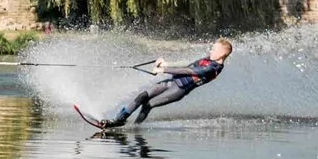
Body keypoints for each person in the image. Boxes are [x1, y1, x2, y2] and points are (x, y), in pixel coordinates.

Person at [88, 39, 234, 129]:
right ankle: (119, 120)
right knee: (142, 96)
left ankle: (135, 128)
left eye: (214, 49)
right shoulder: (209, 59)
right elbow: (188, 63)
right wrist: (167, 63)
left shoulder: (213, 68)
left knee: (148, 104)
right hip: (172, 81)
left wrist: (163, 69)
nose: (210, 50)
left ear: (221, 53)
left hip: (179, 90)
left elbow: (188, 70)